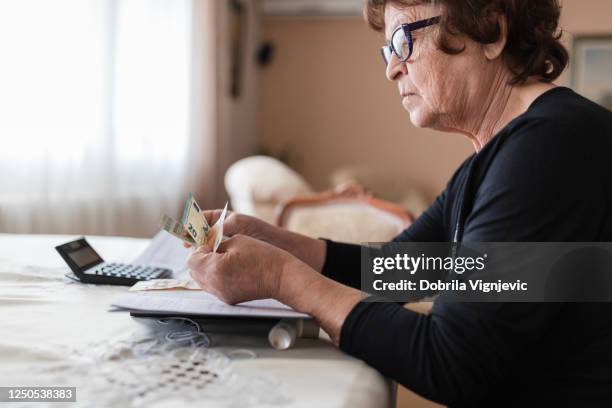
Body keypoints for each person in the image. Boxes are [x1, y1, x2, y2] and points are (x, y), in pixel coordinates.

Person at [187, 0, 612, 406]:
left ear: (493, 31)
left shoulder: (551, 147)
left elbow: (452, 362)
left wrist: (281, 277)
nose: (392, 68)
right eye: (389, 50)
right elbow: (395, 273)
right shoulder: (504, 155)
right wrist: (280, 243)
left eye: (404, 40)